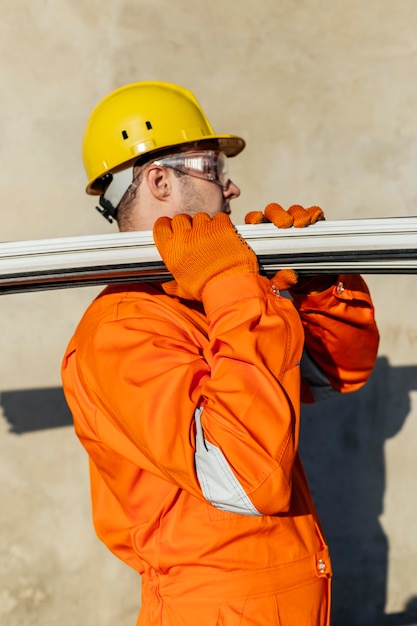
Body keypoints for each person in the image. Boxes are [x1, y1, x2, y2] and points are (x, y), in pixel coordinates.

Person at [61, 81, 379, 626]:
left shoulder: (208, 297)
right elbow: (246, 475)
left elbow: (335, 374)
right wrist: (234, 285)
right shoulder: (121, 328)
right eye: (210, 168)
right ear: (159, 180)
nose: (231, 189)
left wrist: (319, 287)